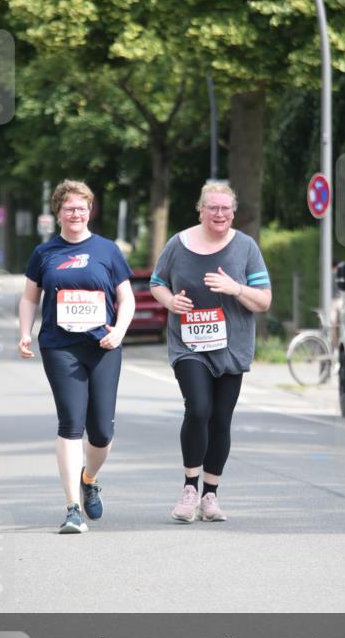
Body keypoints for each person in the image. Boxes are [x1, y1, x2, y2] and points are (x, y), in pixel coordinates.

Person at [150, 182, 272, 523]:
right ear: (200, 210)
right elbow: (157, 283)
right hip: (189, 344)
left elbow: (264, 300)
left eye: (225, 208)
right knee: (198, 408)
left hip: (232, 346)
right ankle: (189, 488)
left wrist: (236, 288)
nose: (220, 214)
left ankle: (210, 495)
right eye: (213, 208)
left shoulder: (245, 247)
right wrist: (171, 302)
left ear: (233, 212)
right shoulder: (178, 244)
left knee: (221, 419)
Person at [18, 179, 135, 534]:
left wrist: (119, 331)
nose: (76, 214)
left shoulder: (107, 250)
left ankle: (89, 478)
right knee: (70, 423)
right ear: (58, 212)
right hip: (59, 346)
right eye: (69, 208)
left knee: (101, 432)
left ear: (90, 211)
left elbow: (126, 298)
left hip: (103, 347)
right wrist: (25, 333)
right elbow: (29, 298)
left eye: (82, 208)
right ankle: (72, 509)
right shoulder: (44, 253)